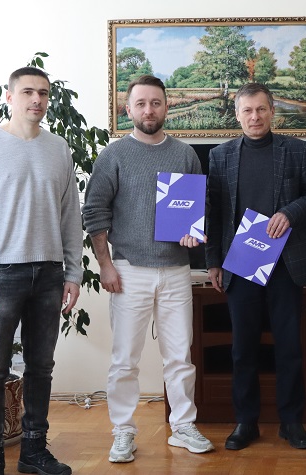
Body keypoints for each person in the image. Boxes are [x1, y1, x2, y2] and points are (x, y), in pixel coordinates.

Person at [0, 67, 82, 475]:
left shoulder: (59, 148)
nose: (37, 100)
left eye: (43, 93)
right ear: (9, 97)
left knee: (41, 367)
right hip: (0, 274)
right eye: (27, 92)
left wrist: (74, 272)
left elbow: (70, 215)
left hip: (49, 273)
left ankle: (34, 452)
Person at [82, 75, 214, 463]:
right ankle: (123, 431)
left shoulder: (185, 154)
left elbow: (197, 208)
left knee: (180, 357)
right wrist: (105, 265)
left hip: (176, 271)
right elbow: (94, 212)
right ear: (129, 109)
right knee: (125, 359)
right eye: (141, 103)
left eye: (156, 102)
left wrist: (193, 232)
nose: (149, 110)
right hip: (128, 270)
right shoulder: (114, 155)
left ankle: (183, 426)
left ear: (167, 107)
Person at [205, 83, 306, 450]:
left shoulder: (297, 150)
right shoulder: (220, 155)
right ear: (237, 115)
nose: (254, 117)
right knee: (243, 350)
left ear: (272, 111)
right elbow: (214, 212)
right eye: (247, 110)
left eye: (261, 109)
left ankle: (292, 423)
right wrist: (212, 262)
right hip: (240, 265)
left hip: (286, 265)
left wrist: (290, 213)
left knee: (289, 348)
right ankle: (246, 423)